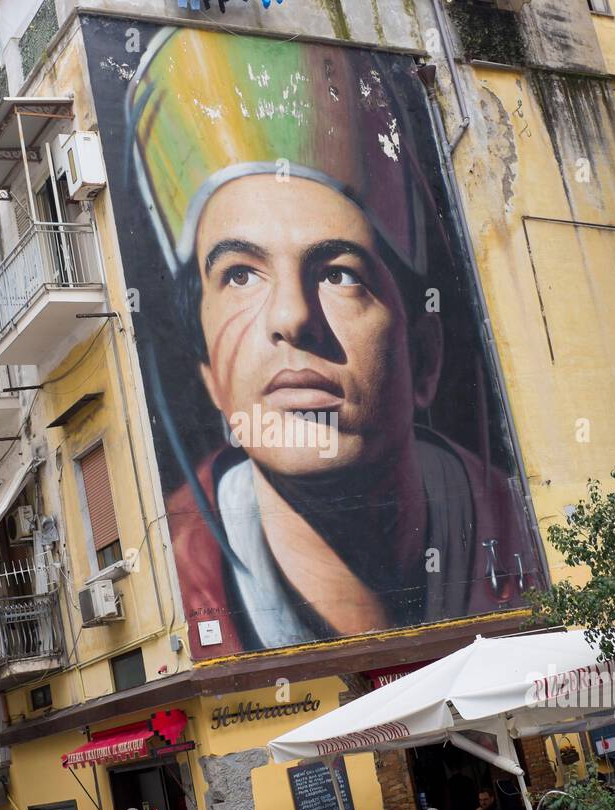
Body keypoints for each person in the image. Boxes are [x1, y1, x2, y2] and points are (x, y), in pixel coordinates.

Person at [128, 29, 537, 654]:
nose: (292, 317)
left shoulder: (524, 540)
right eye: (240, 274)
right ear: (209, 371)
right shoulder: (178, 576)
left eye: (340, 274)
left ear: (424, 356)